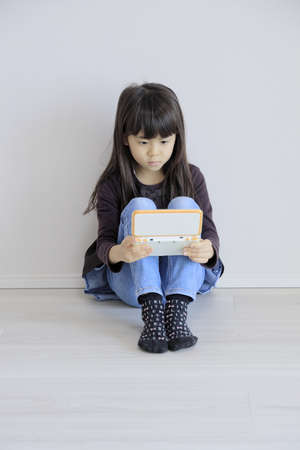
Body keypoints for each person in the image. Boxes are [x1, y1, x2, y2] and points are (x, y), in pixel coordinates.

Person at [82, 82, 224, 354]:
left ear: (176, 138)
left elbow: (210, 232)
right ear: (126, 138)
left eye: (164, 142)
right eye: (144, 142)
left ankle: (176, 311)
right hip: (134, 286)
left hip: (178, 281)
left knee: (184, 203)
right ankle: (153, 312)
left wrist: (208, 249)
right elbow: (104, 243)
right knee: (139, 205)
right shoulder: (113, 184)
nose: (154, 152)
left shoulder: (192, 177)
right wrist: (120, 252)